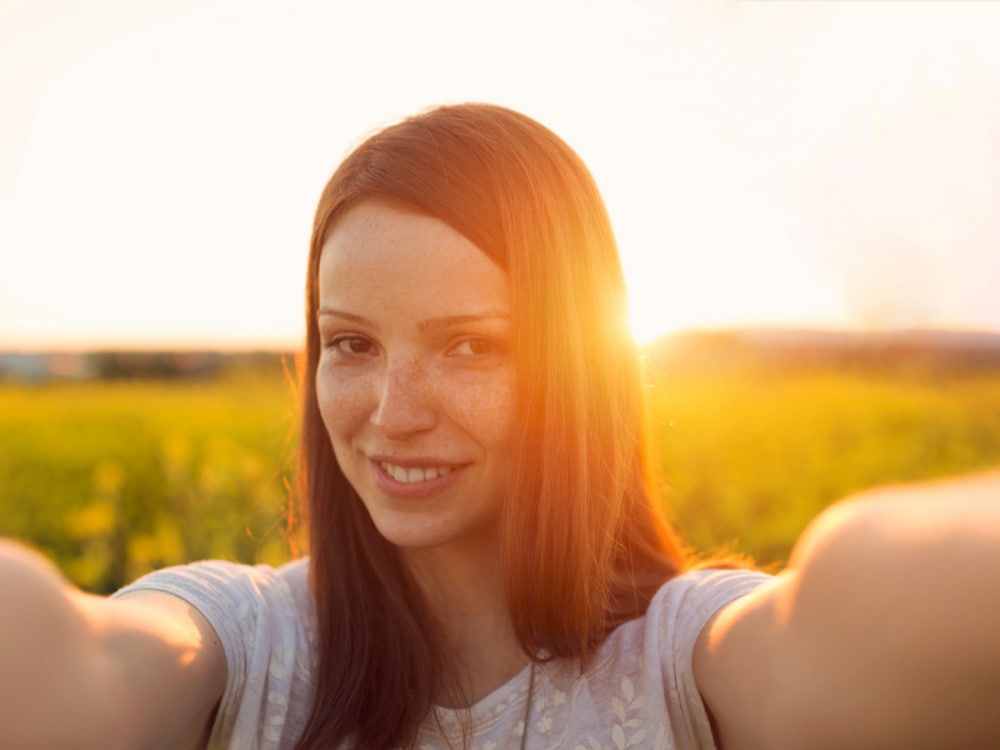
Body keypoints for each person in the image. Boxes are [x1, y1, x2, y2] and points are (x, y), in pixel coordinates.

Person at [1, 103, 998, 750]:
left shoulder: (689, 664)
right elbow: (64, 666)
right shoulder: (239, 650)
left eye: (471, 346)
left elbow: (878, 608)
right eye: (350, 345)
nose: (392, 415)